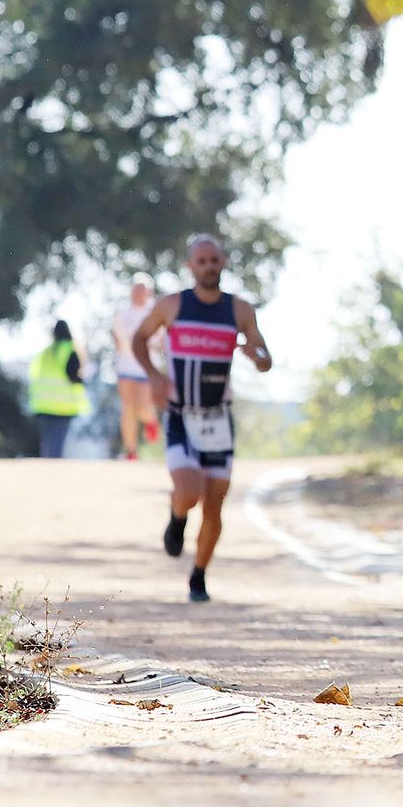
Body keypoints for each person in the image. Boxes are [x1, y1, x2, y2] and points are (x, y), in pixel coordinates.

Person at [132, 234, 272, 603]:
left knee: (214, 504)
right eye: (202, 261)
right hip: (181, 415)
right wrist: (155, 375)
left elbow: (265, 356)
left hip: (218, 419)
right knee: (189, 492)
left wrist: (256, 357)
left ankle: (199, 576)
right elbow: (138, 339)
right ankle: (177, 519)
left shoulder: (239, 310)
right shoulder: (172, 306)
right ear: (190, 267)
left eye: (214, 260)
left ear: (223, 262)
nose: (209, 266)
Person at [112, 273, 163, 460]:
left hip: (146, 367)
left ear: (149, 292)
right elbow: (117, 340)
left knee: (143, 406)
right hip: (126, 367)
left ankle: (151, 421)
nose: (139, 292)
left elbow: (160, 341)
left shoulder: (155, 313)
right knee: (128, 408)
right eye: (136, 288)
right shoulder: (121, 313)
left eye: (143, 288)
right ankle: (131, 451)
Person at [28, 320, 90, 458]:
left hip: (43, 404)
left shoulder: (44, 353)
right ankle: (54, 467)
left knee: (47, 440)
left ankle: (46, 463)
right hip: (64, 405)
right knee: (58, 441)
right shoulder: (70, 351)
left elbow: (34, 375)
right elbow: (73, 376)